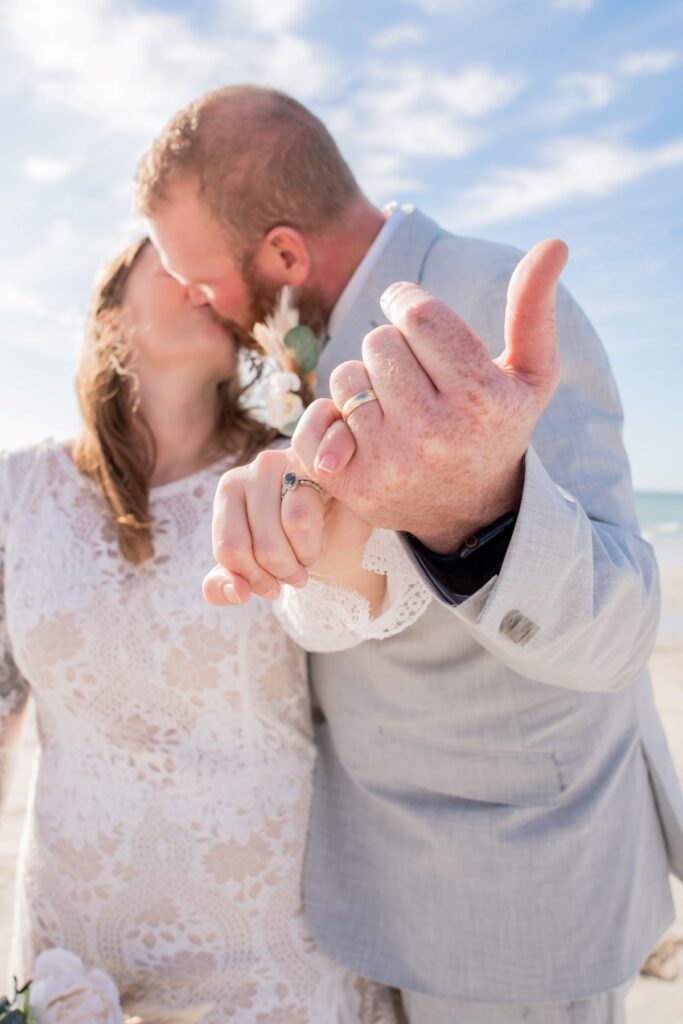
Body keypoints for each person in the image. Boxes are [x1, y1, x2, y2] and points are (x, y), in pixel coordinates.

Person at [137, 84, 683, 1024]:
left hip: (508, 899)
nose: (198, 302)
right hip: (382, 887)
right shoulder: (309, 342)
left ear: (281, 253)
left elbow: (620, 627)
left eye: (200, 279)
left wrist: (479, 514)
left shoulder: (481, 303)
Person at [0, 236, 425, 1021]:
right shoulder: (18, 491)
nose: (203, 283)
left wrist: (335, 519)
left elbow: (366, 607)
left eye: (218, 275)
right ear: (111, 317)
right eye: (170, 263)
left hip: (269, 958)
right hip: (71, 953)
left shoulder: (289, 475)